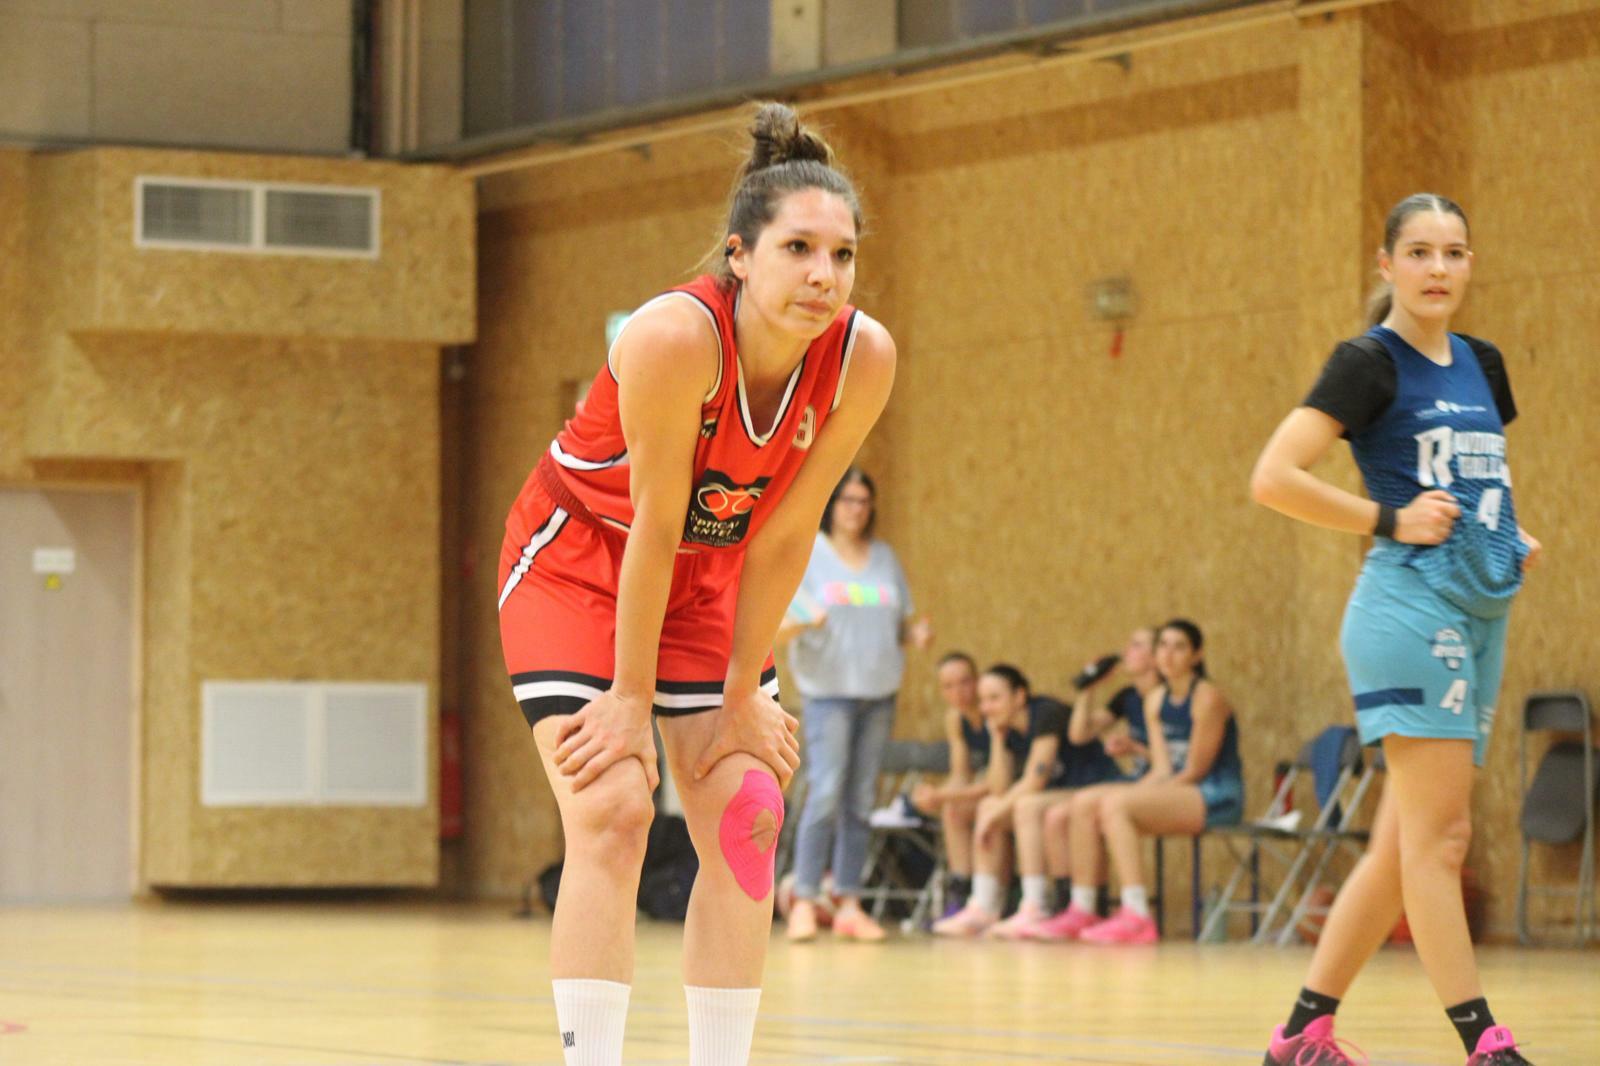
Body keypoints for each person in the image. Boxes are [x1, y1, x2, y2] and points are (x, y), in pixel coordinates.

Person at [495, 102, 895, 1066]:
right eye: (798, 248)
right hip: (582, 564)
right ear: (739, 257)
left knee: (750, 815)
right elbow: (656, 525)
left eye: (841, 255)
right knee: (612, 808)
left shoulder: (862, 357)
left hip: (711, 581)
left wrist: (745, 688)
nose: (823, 274)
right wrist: (629, 702)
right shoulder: (674, 337)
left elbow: (788, 530)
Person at [1250, 193, 1540, 1066]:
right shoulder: (1367, 363)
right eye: (1419, 252)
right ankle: (1485, 1045)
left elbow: (1479, 475)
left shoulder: (1483, 364)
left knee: (1399, 845)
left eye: (1453, 252)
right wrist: (1389, 519)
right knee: (1442, 842)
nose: (1438, 269)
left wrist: (1506, 534)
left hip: (1480, 611)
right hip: (1407, 611)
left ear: (1470, 262)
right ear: (1387, 265)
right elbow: (1274, 476)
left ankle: (1301, 1035)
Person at [780, 468, 933, 942]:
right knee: (825, 792)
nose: (856, 509)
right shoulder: (810, 554)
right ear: (833, 504)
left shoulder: (884, 557)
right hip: (829, 693)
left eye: (864, 501)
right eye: (848, 500)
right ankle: (805, 898)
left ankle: (848, 900)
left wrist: (914, 635)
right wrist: (805, 623)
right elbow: (780, 625)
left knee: (862, 800)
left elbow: (897, 623)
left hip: (878, 692)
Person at [1069, 619, 1244, 945]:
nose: (1168, 654)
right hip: (1178, 788)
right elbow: (1162, 769)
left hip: (1214, 793)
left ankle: (1137, 914)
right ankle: (1082, 907)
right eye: (1163, 646)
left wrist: (1132, 797)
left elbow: (1195, 770)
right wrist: (1137, 791)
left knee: (1117, 805)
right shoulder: (1155, 699)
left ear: (1196, 655)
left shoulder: (1207, 697)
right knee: (1084, 802)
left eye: (1179, 647)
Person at [931, 664, 1117, 937]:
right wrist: (996, 739)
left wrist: (992, 815)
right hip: (1057, 795)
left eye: (994, 698)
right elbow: (998, 787)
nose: (986, 708)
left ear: (1019, 696)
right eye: (983, 700)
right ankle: (983, 906)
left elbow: (1034, 781)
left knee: (1024, 807)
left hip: (1092, 786)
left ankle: (1035, 905)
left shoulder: (1046, 714)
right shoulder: (1007, 727)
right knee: (989, 805)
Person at [1025, 625, 1163, 941]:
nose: (1126, 651)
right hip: (1138, 780)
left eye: (1137, 645)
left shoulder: (1165, 697)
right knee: (1059, 815)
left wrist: (1136, 748)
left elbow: (1178, 760)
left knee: (1086, 803)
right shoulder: (1127, 697)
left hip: (1162, 784)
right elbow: (1079, 734)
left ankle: (1113, 909)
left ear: (1157, 656)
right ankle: (1077, 906)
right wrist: (1088, 688)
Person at [909, 651, 1025, 914]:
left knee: (985, 809)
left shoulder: (995, 711)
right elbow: (960, 775)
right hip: (993, 790)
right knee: (953, 810)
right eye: (949, 686)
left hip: (1016, 789)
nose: (958, 692)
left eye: (965, 682)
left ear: (977, 681)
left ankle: (994, 898)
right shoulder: (956, 719)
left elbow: (998, 784)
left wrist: (943, 796)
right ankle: (961, 892)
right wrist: (933, 794)